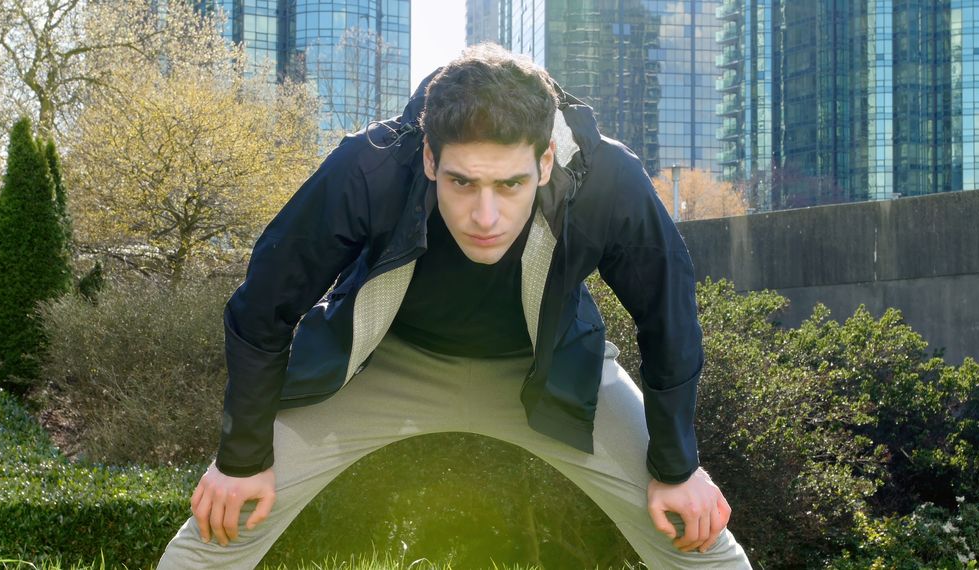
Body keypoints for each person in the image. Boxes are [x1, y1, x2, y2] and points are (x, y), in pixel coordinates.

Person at [158, 44, 752, 569]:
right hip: (386, 362)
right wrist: (239, 460)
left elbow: (668, 318)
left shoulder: (608, 180)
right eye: (463, 183)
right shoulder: (367, 168)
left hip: (545, 368)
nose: (485, 217)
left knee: (695, 537)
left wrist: (677, 468)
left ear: (545, 162)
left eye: (511, 185)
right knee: (225, 521)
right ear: (428, 160)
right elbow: (263, 309)